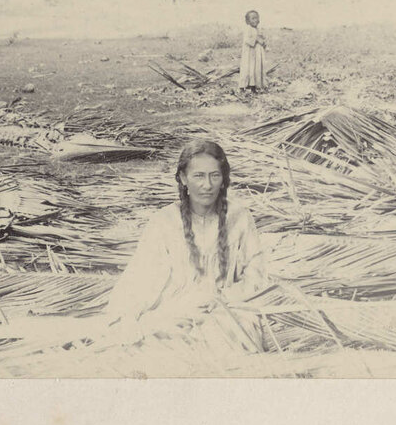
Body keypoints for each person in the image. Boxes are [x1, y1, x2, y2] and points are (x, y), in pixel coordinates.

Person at [103, 139, 271, 349]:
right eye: (198, 176)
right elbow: (141, 275)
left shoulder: (240, 218)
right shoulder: (163, 221)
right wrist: (128, 314)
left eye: (214, 175)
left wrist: (222, 298)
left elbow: (256, 275)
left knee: (232, 334)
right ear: (183, 178)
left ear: (223, 179)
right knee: (155, 337)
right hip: (177, 308)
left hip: (227, 308)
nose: (207, 185)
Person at [238, 9, 268, 93]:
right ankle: (243, 87)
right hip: (249, 55)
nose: (256, 20)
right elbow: (247, 40)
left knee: (256, 70)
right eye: (253, 18)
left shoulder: (258, 29)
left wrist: (263, 43)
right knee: (248, 70)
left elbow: (262, 39)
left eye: (257, 18)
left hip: (256, 55)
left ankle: (254, 86)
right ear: (247, 21)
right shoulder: (248, 29)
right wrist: (257, 39)